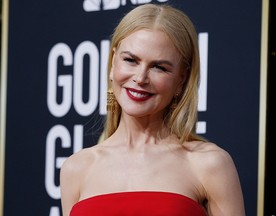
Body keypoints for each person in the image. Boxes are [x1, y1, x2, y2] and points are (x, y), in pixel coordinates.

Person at [60, 3, 245, 216]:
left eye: (159, 67)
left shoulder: (208, 164)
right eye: (130, 60)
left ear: (181, 80)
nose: (140, 78)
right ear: (113, 64)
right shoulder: (77, 168)